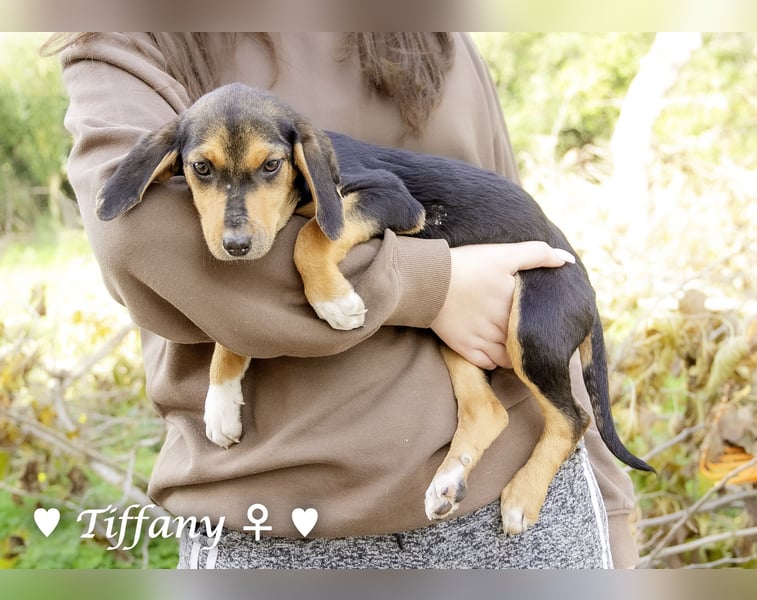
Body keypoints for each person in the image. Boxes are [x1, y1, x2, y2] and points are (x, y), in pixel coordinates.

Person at [49, 32, 638, 568]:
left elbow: (534, 261)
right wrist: (430, 284)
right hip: (277, 529)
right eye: (202, 173)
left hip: (528, 516)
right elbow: (141, 247)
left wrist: (611, 513)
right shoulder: (129, 36)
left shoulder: (436, 35)